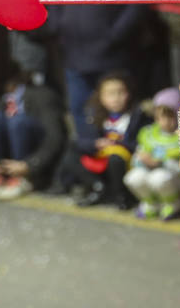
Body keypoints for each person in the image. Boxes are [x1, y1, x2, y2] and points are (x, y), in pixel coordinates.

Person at [55, 72, 144, 208]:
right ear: (101, 97)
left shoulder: (136, 116)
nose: (116, 98)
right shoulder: (95, 115)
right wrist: (96, 143)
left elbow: (137, 143)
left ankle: (121, 195)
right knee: (72, 151)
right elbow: (82, 141)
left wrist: (117, 144)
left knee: (115, 158)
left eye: (121, 92)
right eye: (110, 94)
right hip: (101, 156)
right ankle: (97, 186)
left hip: (123, 159)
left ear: (129, 93)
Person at [0, 66, 66, 198]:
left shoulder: (42, 96)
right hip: (7, 156)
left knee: (18, 122)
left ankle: (23, 178)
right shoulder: (3, 99)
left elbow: (54, 137)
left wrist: (30, 165)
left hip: (31, 154)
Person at [126, 88, 180, 220]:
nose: (165, 122)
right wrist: (142, 159)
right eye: (160, 117)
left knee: (159, 178)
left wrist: (161, 162)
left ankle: (173, 203)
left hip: (173, 176)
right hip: (149, 170)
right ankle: (150, 203)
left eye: (170, 117)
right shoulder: (148, 133)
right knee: (133, 177)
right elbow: (139, 153)